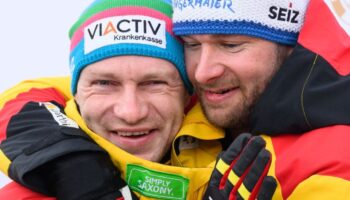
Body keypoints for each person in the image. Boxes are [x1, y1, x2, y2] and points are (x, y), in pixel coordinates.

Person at [0, 0, 274, 199]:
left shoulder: (259, 168)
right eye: (105, 84)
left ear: (187, 95)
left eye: (154, 83)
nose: (131, 112)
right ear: (76, 94)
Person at [172, 0, 350, 198]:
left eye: (231, 45)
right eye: (192, 44)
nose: (202, 73)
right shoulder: (170, 116)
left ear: (291, 46)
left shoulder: (337, 159)